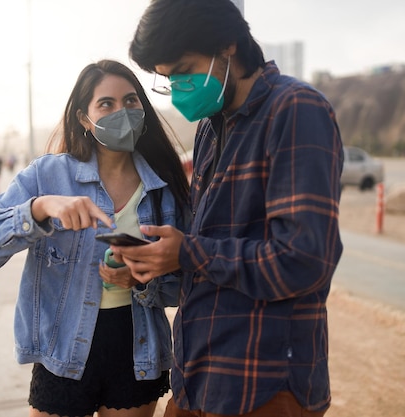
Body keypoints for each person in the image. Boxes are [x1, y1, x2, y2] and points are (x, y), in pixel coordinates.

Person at [111, 1, 344, 416]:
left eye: (184, 70)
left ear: (227, 46)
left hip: (263, 385)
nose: (179, 86)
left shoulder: (295, 109)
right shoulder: (210, 127)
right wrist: (152, 263)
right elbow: (210, 251)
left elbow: (303, 260)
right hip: (198, 379)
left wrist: (187, 252)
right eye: (167, 79)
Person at [0, 59, 190, 417]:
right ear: (85, 118)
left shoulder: (163, 187)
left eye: (131, 101)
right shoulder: (47, 175)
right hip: (63, 347)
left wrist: (142, 281)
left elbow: (183, 285)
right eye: (106, 104)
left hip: (137, 346)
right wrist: (39, 208)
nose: (122, 112)